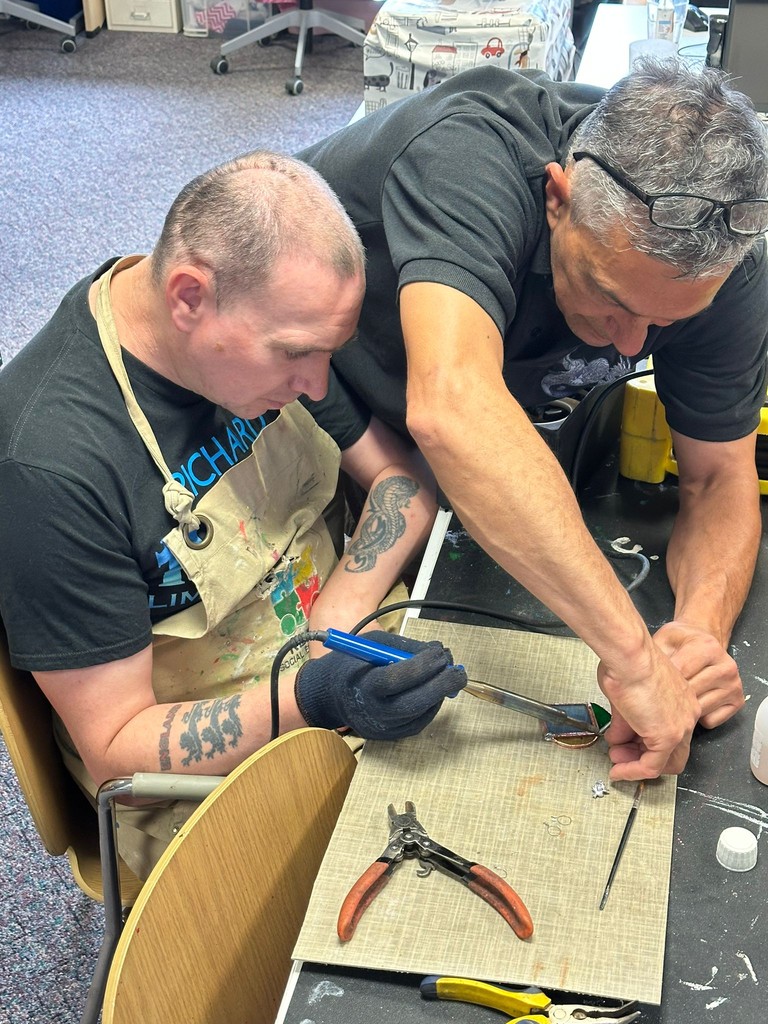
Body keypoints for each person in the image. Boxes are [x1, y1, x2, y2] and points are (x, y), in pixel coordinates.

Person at [296, 58, 768, 783]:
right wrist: (635, 658)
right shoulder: (467, 155)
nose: (632, 347)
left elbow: (716, 478)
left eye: (667, 322)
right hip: (300, 398)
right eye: (612, 299)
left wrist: (696, 636)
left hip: (436, 444)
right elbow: (453, 409)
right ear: (557, 197)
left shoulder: (724, 261)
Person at [0, 151, 466, 880]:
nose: (317, 385)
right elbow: (116, 747)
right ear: (188, 296)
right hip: (196, 781)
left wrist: (335, 623)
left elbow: (400, 484)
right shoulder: (50, 468)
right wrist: (314, 695)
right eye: (297, 356)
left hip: (339, 650)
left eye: (329, 354)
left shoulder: (270, 327)